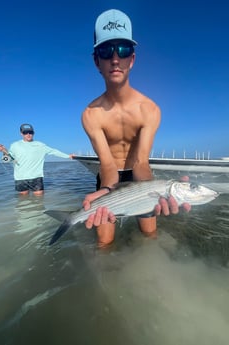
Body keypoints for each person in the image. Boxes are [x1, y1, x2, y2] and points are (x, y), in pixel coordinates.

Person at [81, 9, 191, 247]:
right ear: (96, 61)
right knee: (104, 241)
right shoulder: (90, 114)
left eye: (123, 49)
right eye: (105, 50)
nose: (115, 58)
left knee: (150, 235)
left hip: (139, 176)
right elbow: (108, 165)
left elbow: (141, 162)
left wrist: (157, 192)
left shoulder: (150, 110)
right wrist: (109, 190)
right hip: (108, 179)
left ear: (132, 58)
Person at [0, 123, 76, 196]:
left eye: (30, 132)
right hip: (20, 178)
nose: (28, 134)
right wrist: (3, 151)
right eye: (25, 132)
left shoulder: (40, 145)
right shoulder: (15, 145)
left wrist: (68, 156)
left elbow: (54, 151)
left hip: (36, 177)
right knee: (23, 201)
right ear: (21, 133)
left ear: (33, 133)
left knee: (39, 200)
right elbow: (7, 160)